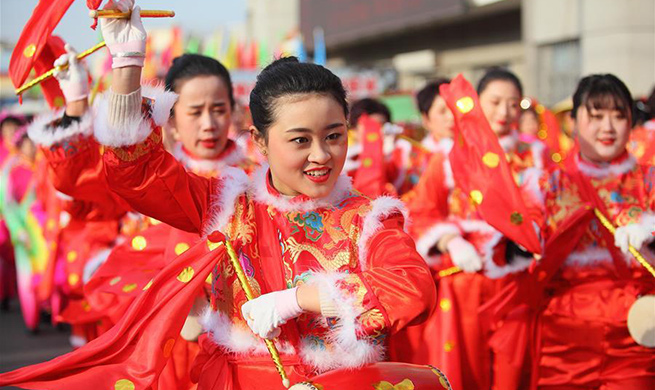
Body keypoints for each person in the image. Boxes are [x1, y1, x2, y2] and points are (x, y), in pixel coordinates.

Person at [0, 3, 435, 388]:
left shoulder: (369, 218)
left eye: (334, 135)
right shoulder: (227, 204)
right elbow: (136, 172)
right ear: (260, 143)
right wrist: (128, 63)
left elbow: (412, 289)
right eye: (299, 140)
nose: (320, 155)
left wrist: (296, 299)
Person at [394, 68, 549, 390]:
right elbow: (420, 211)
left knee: (511, 375)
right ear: (476, 103)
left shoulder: (534, 158)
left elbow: (548, 212)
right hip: (461, 286)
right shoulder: (451, 157)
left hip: (514, 288)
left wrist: (525, 239)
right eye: (494, 102)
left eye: (512, 103)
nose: (504, 112)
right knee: (462, 374)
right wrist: (449, 239)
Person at [529, 74, 655, 390]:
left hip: (637, 333)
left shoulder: (649, 180)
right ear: (573, 121)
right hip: (564, 337)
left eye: (619, 115)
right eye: (596, 116)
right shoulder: (546, 185)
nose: (608, 127)